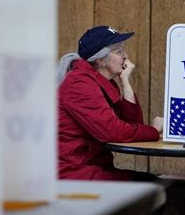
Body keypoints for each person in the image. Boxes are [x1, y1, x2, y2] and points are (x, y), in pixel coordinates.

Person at [57, 25, 163, 181]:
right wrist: (153, 130)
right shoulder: (79, 84)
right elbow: (112, 131)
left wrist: (125, 82)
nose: (126, 56)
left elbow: (132, 124)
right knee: (151, 186)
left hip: (89, 167)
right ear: (101, 59)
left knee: (152, 184)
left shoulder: (98, 82)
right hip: (72, 173)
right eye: (119, 51)